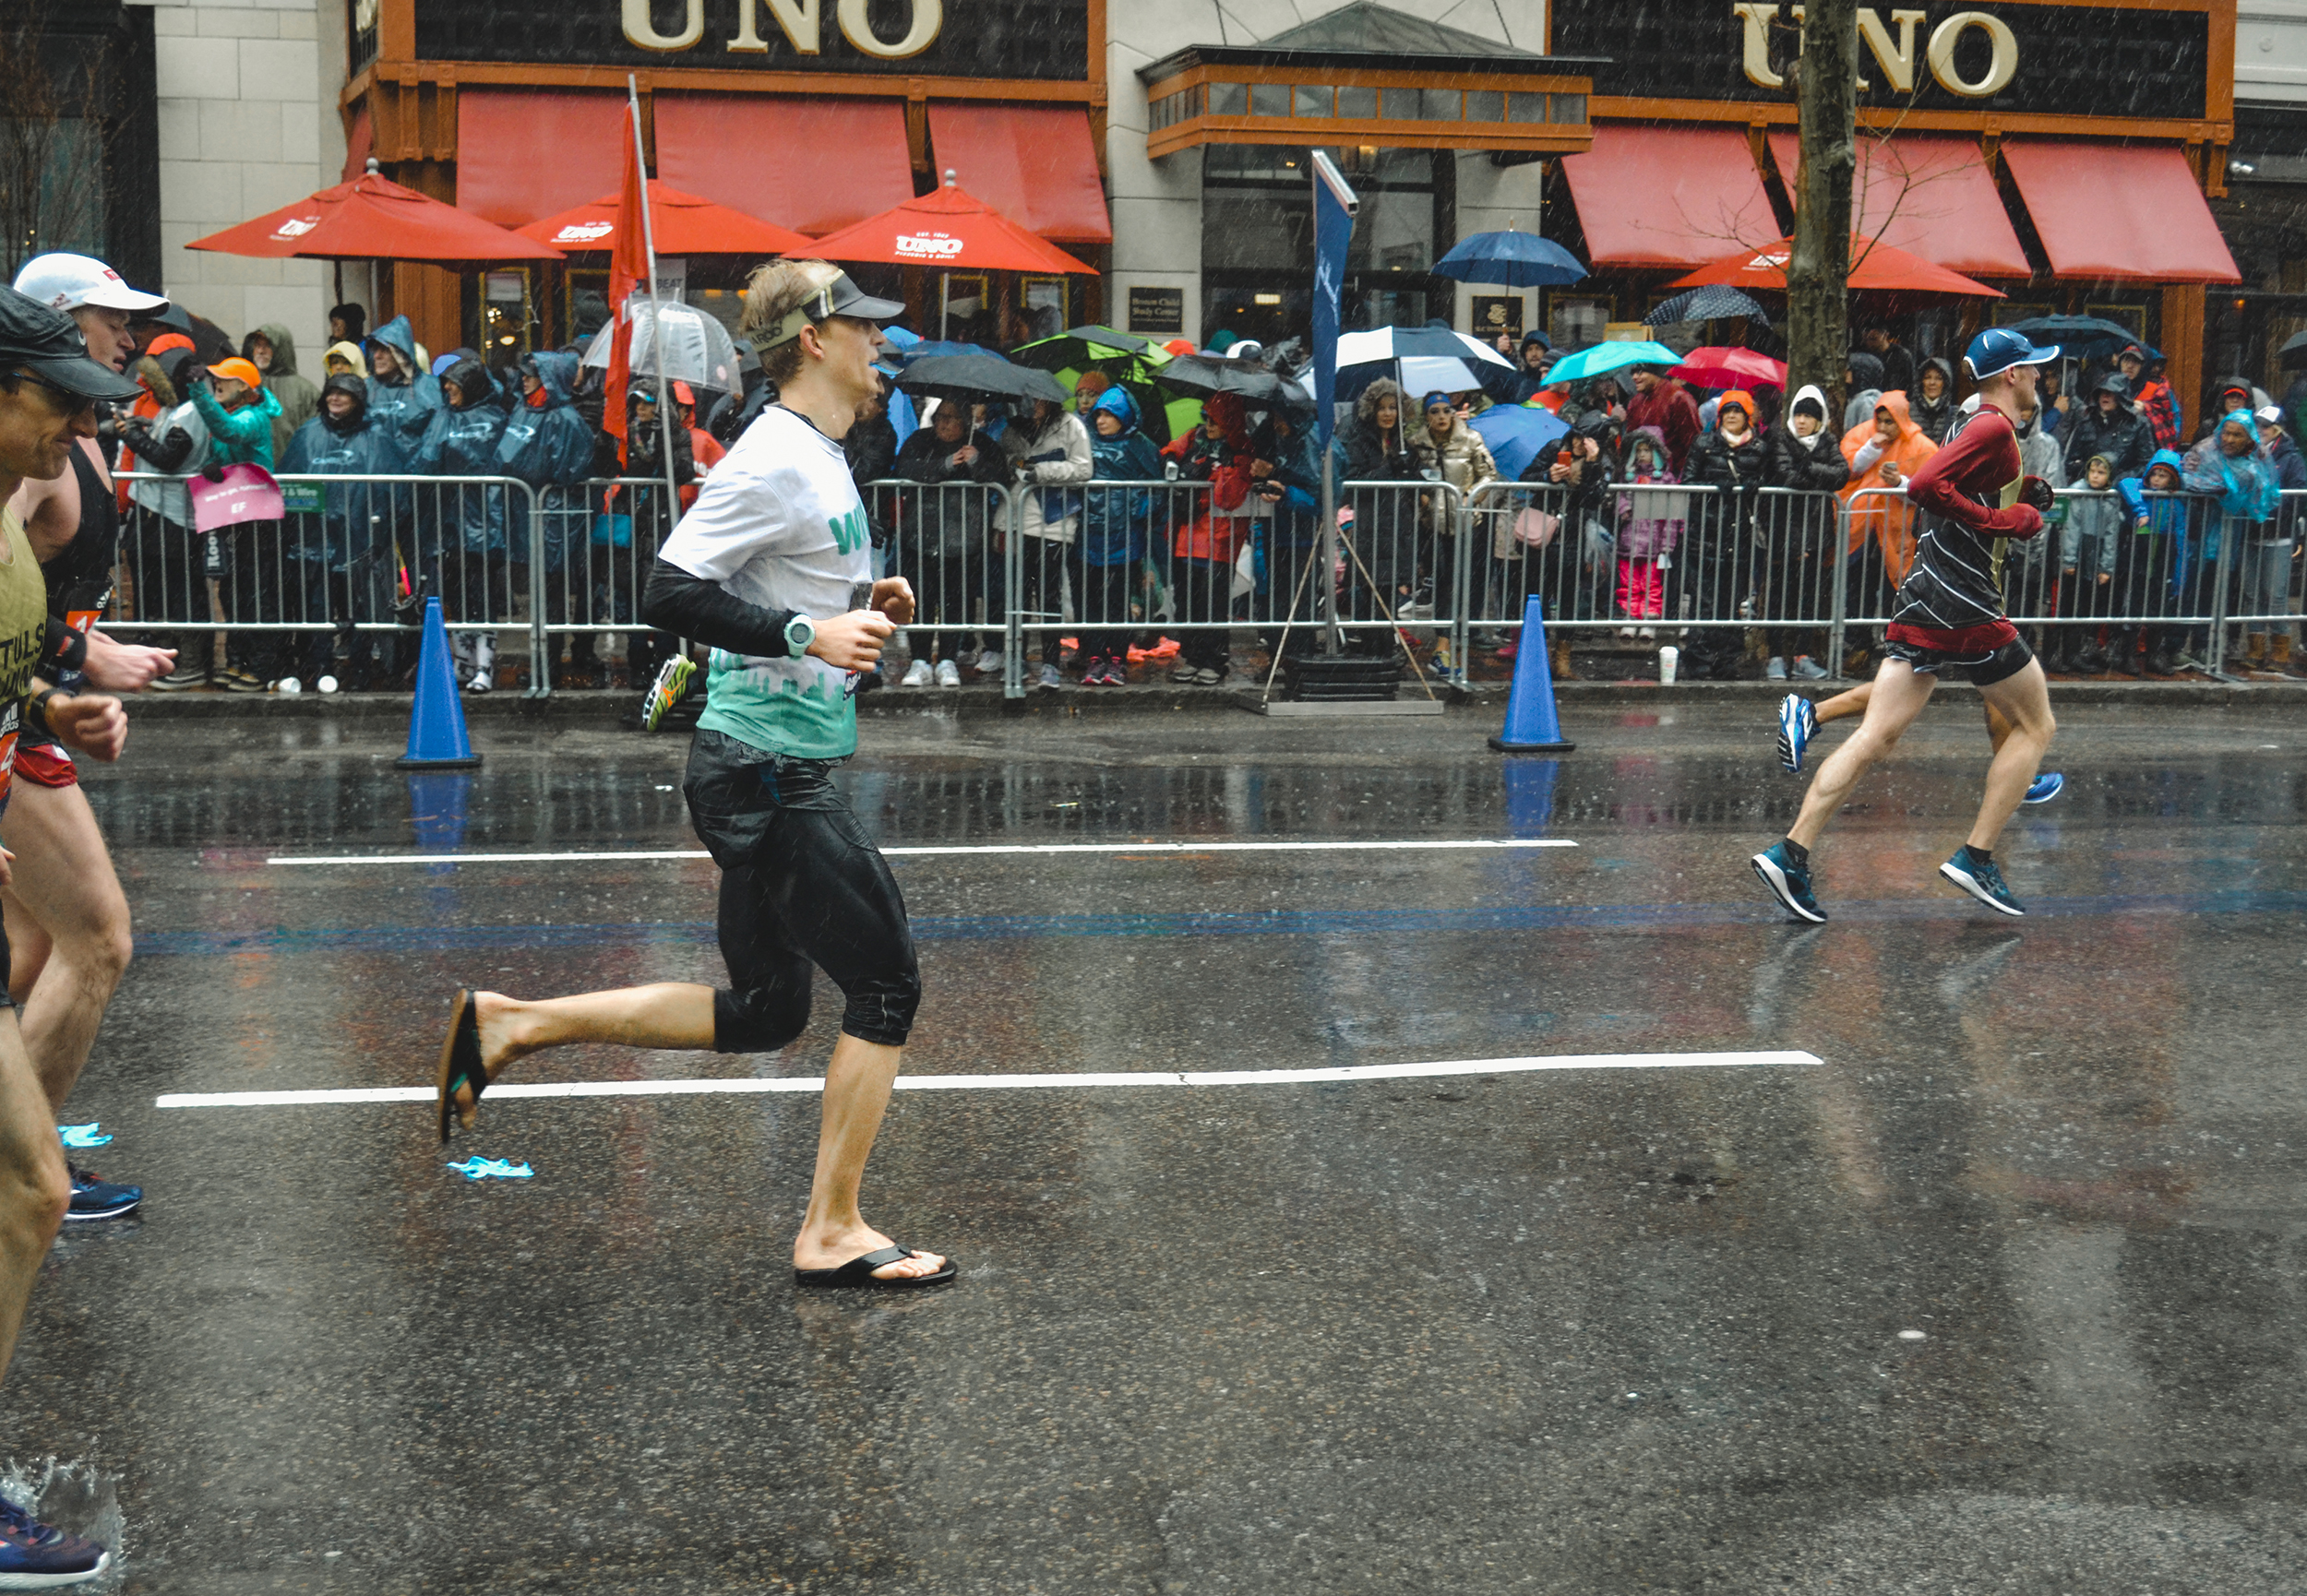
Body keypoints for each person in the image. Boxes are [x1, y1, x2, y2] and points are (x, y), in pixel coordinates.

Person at [434, 259, 952, 1290]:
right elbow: (668, 588)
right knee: (886, 979)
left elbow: (781, 581)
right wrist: (809, 626)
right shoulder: (772, 457)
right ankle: (832, 1229)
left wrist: (862, 596)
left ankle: (509, 1023)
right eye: (863, 328)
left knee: (766, 1009)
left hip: (764, 758)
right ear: (812, 339)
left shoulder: (820, 452)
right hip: (764, 769)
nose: (881, 346)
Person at [0, 282, 142, 1586]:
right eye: (59, 402)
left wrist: (54, 705)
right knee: (26, 1190)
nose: (77, 429)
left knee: (29, 1189)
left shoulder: (7, 514)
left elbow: (8, 673)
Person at [1752, 328, 2061, 923]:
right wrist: (2006, 522)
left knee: (1877, 735)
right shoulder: (1993, 424)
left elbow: (1959, 484)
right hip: (1964, 601)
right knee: (2036, 724)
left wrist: (2025, 493)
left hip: (1924, 595)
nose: (2041, 377)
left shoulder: (1972, 423)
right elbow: (1926, 487)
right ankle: (1977, 856)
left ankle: (1790, 852)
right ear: (2013, 374)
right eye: (2035, 368)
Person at [3, 255, 173, 1229]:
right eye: (114, 320)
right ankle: (27, 1161)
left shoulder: (62, 438)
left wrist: (86, 649)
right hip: (17, 723)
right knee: (97, 937)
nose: (131, 337)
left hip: (32, 709)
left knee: (32, 941)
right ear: (56, 328)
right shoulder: (25, 461)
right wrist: (69, 662)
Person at [281, 371, 411, 690]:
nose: (335, 399)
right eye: (331, 392)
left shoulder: (378, 437)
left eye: (344, 394)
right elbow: (288, 483)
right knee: (319, 608)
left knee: (359, 612)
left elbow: (398, 493)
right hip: (316, 541)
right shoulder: (307, 434)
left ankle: (361, 669)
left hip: (361, 543)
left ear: (358, 400)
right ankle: (322, 668)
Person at [495, 353, 598, 690]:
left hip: (554, 521)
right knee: (541, 599)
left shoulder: (565, 419)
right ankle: (542, 666)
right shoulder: (526, 409)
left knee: (550, 598)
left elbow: (570, 470)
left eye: (532, 374)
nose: (524, 379)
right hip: (532, 515)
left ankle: (548, 668)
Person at [414, 353, 510, 692]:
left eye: (455, 384)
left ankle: (483, 666)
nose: (448, 389)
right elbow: (427, 460)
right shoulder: (443, 416)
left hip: (484, 520)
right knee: (454, 596)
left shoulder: (494, 417)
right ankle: (463, 664)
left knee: (481, 596)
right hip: (448, 521)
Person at [891, 400, 1005, 685]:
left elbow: (1001, 478)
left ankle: (948, 660)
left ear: (965, 422)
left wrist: (976, 462)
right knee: (921, 600)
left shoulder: (982, 444)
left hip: (965, 540)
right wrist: (943, 465)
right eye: (939, 417)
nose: (943, 424)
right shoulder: (920, 440)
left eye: (951, 418)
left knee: (956, 601)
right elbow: (904, 469)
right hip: (921, 537)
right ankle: (919, 660)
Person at [1835, 391, 1937, 661]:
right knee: (1861, 588)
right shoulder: (1862, 435)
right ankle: (1859, 645)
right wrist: (1872, 448)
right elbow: (1848, 469)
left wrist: (1900, 483)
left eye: (1889, 421)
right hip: (1864, 529)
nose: (1882, 427)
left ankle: (1899, 645)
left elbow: (1930, 489)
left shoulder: (1922, 447)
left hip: (1900, 534)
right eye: (1879, 420)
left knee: (1898, 589)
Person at [2180, 409, 2281, 673]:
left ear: (2248, 438)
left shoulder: (2258, 455)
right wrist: (2220, 489)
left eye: (2237, 435)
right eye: (2227, 432)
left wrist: (2235, 488)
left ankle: (2205, 646)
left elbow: (2265, 487)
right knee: (2189, 590)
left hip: (2232, 536)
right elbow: (2187, 476)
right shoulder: (2204, 450)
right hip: (2198, 530)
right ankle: (2175, 645)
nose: (2229, 439)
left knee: (2216, 592)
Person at [1761, 384, 1851, 679]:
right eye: (1797, 415)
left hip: (1815, 532)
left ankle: (1802, 655)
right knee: (1778, 596)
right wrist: (1817, 475)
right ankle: (1775, 655)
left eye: (1807, 416)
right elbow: (1786, 475)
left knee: (1809, 597)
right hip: (1783, 529)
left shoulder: (1827, 441)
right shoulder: (1780, 438)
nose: (1801, 421)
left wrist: (1809, 467)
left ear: (1818, 419)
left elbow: (1841, 475)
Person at [1002, 395, 1092, 689]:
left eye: (1039, 400)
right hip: (1018, 519)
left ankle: (1051, 663)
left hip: (1055, 522)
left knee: (1049, 595)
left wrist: (1041, 471)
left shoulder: (1071, 426)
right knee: (1018, 596)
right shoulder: (1014, 428)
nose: (1033, 404)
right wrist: (1015, 464)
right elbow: (1007, 462)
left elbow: (1082, 469)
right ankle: (1017, 659)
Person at [1681, 388, 1768, 680]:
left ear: (1747, 417)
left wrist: (1755, 485)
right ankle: (1699, 660)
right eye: (1727, 411)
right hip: (1705, 536)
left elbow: (1767, 482)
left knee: (1732, 602)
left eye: (1737, 411)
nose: (1731, 416)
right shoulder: (1703, 444)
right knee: (1705, 602)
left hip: (1739, 538)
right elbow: (1689, 482)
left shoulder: (1758, 448)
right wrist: (1715, 487)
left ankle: (1727, 660)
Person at [1409, 389, 1497, 675]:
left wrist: (1470, 497)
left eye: (1446, 410)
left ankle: (1458, 640)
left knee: (1468, 580)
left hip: (1468, 523)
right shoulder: (1418, 445)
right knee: (1443, 581)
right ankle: (1443, 645)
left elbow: (1489, 474)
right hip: (1434, 525)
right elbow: (1412, 477)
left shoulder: (1471, 438)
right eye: (1434, 412)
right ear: (1427, 417)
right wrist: (1421, 497)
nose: (1442, 417)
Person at [1078, 386, 1162, 685]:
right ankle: (1096, 658)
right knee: (1093, 602)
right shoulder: (1086, 443)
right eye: (1098, 414)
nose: (1100, 420)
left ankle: (1117, 659)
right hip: (1090, 535)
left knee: (1117, 601)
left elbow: (1158, 487)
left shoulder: (1140, 446)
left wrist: (1140, 507)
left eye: (1108, 414)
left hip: (1126, 538)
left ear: (1123, 417)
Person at [1167, 395, 1252, 685]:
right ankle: (1192, 657)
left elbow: (1228, 499)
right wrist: (1179, 465)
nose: (1209, 425)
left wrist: (1221, 470)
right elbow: (1171, 450)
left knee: (1212, 604)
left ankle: (1215, 660)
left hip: (1220, 539)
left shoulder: (1241, 451)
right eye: (1207, 418)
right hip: (1188, 535)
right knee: (1187, 602)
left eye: (1215, 420)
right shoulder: (1196, 438)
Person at [2110, 450, 2192, 675]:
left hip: (2164, 557)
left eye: (2163, 476)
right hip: (2140, 557)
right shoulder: (2142, 492)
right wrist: (2140, 509)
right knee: (2134, 606)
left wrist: (2179, 574)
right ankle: (2127, 655)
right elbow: (2126, 482)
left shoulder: (2177, 502)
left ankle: (2154, 655)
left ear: (2173, 479)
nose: (2156, 479)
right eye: (2154, 474)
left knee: (2159, 609)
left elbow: (2182, 537)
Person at [2051, 452, 2123, 673]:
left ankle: (2073, 653)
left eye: (2101, 473)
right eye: (2092, 471)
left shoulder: (2111, 497)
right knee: (2066, 606)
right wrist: (2069, 560)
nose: (2095, 476)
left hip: (2095, 551)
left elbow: (2112, 534)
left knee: (2082, 607)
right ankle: (2056, 655)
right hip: (2079, 551)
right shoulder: (2078, 492)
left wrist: (2106, 567)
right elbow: (2072, 530)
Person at [2251, 405, 2307, 676]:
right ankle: (2255, 649)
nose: (2261, 430)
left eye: (2266, 425)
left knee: (2276, 596)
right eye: (2258, 424)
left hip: (2279, 534)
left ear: (2278, 429)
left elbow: (2298, 491)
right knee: (2253, 595)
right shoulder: (2250, 451)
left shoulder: (2290, 456)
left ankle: (2280, 651)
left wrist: (2272, 507)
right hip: (2252, 532)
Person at [1614, 425, 1682, 628]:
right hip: (1629, 541)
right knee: (1628, 582)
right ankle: (1630, 616)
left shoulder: (1667, 481)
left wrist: (1668, 544)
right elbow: (1620, 497)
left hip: (1655, 542)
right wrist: (1624, 508)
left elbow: (1672, 515)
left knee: (1652, 583)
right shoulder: (1628, 477)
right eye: (1639, 450)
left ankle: (1648, 619)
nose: (1643, 455)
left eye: (1647, 450)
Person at [363, 315, 441, 456]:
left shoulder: (430, 388)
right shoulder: (364, 389)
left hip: (418, 474)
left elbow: (437, 438)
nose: (377, 356)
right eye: (375, 350)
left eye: (384, 350)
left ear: (401, 353)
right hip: (374, 472)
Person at [242, 323, 318, 462]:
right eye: (257, 345)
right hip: (253, 473)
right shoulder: (245, 387)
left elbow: (315, 437)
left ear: (281, 349)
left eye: (267, 345)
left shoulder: (306, 391)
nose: (260, 351)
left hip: (294, 475)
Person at [2060, 373, 2152, 482]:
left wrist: (2119, 479)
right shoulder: (2086, 423)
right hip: (2088, 488)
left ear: (2121, 396)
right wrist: (2093, 473)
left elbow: (2146, 464)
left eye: (2110, 393)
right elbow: (2070, 462)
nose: (2105, 396)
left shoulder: (2139, 424)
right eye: (2102, 392)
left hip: (2122, 490)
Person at [1624, 365, 1700, 473]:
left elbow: (1693, 443)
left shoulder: (1678, 398)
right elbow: (1630, 443)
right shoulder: (1635, 403)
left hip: (1674, 474)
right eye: (1633, 373)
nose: (1634, 377)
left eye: (1640, 372)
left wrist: (1686, 476)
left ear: (1655, 374)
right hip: (1642, 476)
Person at [1906, 357, 1956, 445]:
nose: (1932, 382)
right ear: (1921, 382)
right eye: (1927, 378)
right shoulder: (1907, 411)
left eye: (1939, 378)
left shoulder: (1955, 414)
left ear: (1946, 383)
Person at [1859, 322, 1914, 397]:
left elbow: (1910, 382)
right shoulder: (1865, 355)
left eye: (1873, 338)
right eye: (1866, 339)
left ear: (1885, 335)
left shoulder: (1901, 355)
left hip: (1894, 399)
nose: (1869, 343)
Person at [1842, 351, 1885, 433]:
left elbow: (1867, 437)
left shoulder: (1867, 403)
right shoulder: (1862, 399)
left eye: (1848, 371)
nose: (1845, 376)